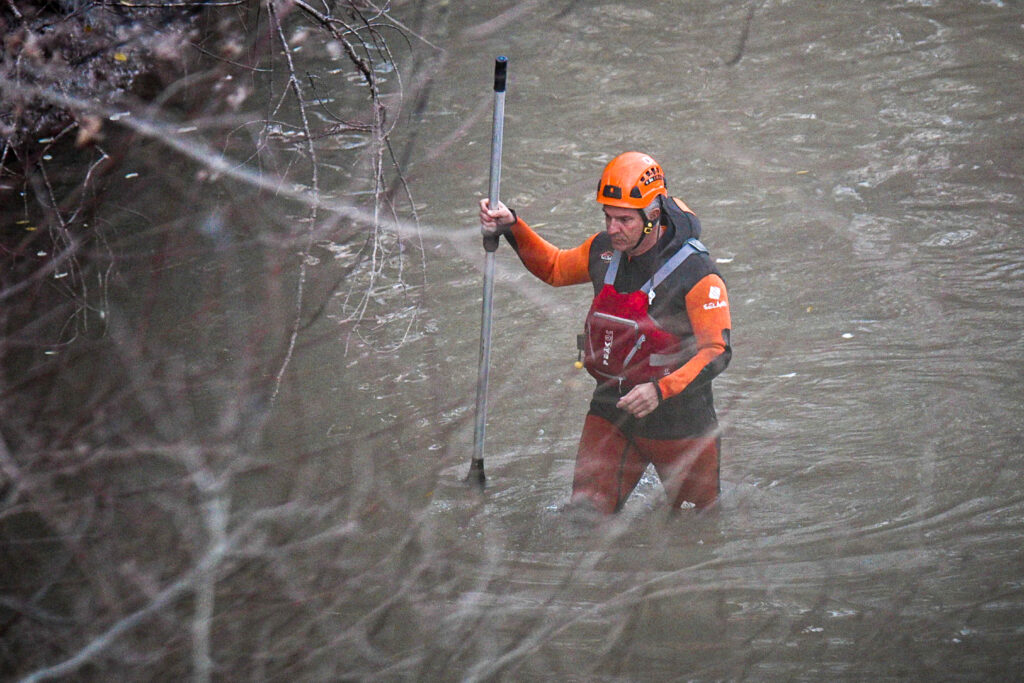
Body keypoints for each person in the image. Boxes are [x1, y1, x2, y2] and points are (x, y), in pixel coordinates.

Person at [478, 151, 732, 514]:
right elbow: (554, 268)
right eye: (608, 217)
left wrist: (660, 390)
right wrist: (510, 226)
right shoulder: (603, 252)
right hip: (613, 407)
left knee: (696, 524)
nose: (613, 229)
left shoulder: (697, 273)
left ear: (653, 216)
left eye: (625, 220)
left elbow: (717, 351)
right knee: (583, 517)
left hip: (682, 421)